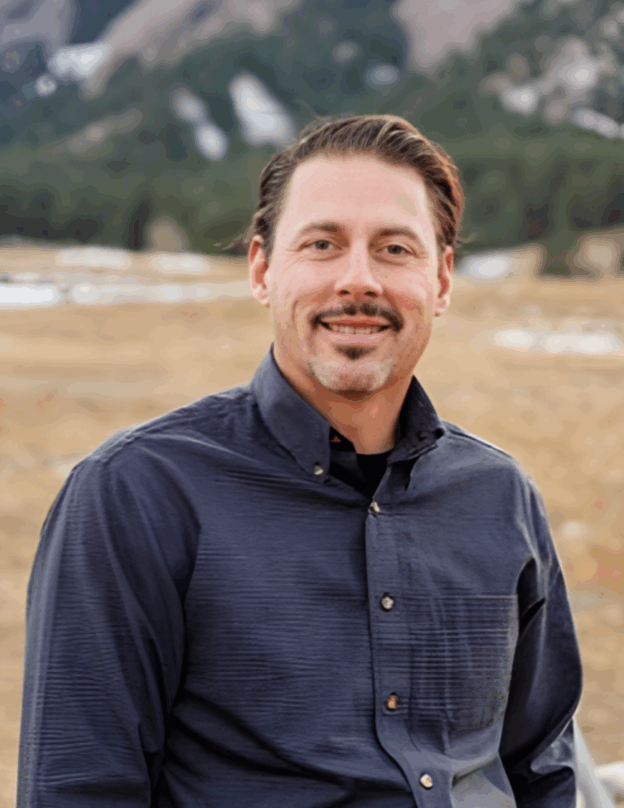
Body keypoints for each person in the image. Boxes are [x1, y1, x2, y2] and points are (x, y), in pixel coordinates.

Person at [18, 114, 583, 807]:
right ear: (262, 269)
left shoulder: (501, 498)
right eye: (322, 244)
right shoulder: (136, 494)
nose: (358, 280)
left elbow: (544, 772)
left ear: (441, 280)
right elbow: (79, 789)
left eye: (395, 249)